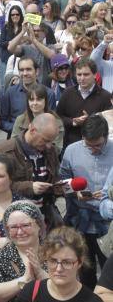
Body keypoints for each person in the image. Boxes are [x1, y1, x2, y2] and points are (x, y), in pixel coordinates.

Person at [60, 114, 113, 288]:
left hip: (108, 222)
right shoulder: (72, 150)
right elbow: (63, 182)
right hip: (80, 219)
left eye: (98, 145)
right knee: (85, 269)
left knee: (109, 270)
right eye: (88, 145)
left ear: (106, 137)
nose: (93, 149)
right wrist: (75, 194)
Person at [0, 112, 62, 224]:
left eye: (51, 141)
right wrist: (29, 187)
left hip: (45, 214)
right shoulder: (4, 152)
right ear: (33, 130)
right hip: (13, 216)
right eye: (45, 140)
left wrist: (59, 187)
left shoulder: (50, 151)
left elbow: (55, 177)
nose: (49, 145)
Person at [57, 58, 111, 148]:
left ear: (95, 75)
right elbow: (57, 117)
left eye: (86, 74)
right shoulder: (67, 93)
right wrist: (73, 121)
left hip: (96, 147)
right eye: (79, 74)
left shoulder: (105, 96)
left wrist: (90, 120)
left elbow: (108, 123)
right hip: (70, 145)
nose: (82, 78)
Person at [0, 58, 55, 136]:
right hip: (16, 139)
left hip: (42, 139)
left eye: (28, 69)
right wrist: (18, 129)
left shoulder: (48, 93)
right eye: (21, 70)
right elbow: (2, 121)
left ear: (37, 71)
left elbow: (52, 120)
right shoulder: (10, 92)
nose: (25, 73)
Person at [11, 83, 64, 154]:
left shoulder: (55, 121)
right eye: (31, 100)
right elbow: (14, 143)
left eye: (39, 99)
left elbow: (57, 149)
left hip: (47, 160)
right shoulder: (20, 119)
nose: (35, 103)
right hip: (24, 159)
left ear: (45, 101)